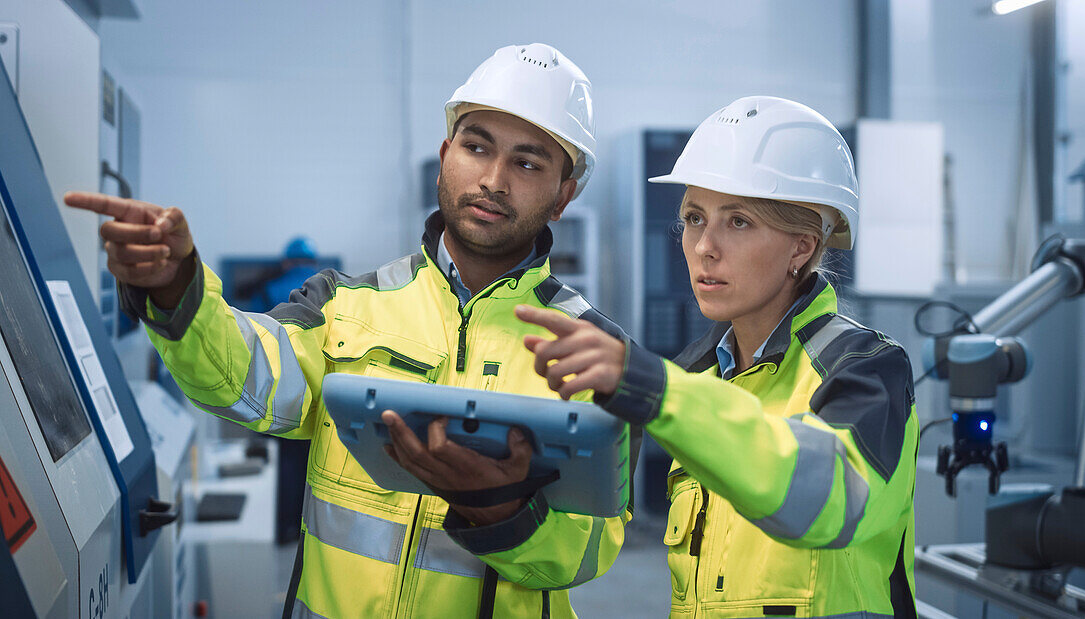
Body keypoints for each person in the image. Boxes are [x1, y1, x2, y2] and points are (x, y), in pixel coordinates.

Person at [66, 43, 638, 619]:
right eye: (476, 146)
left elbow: (590, 550)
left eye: (528, 163)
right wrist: (176, 288)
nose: (493, 180)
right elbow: (247, 381)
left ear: (564, 194)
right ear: (445, 156)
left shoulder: (602, 356)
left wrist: (500, 510)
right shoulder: (342, 304)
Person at [517, 96, 918, 618]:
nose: (704, 246)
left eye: (739, 223)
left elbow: (827, 503)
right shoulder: (693, 376)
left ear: (801, 247)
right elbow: (585, 543)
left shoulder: (865, 369)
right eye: (693, 217)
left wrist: (654, 388)